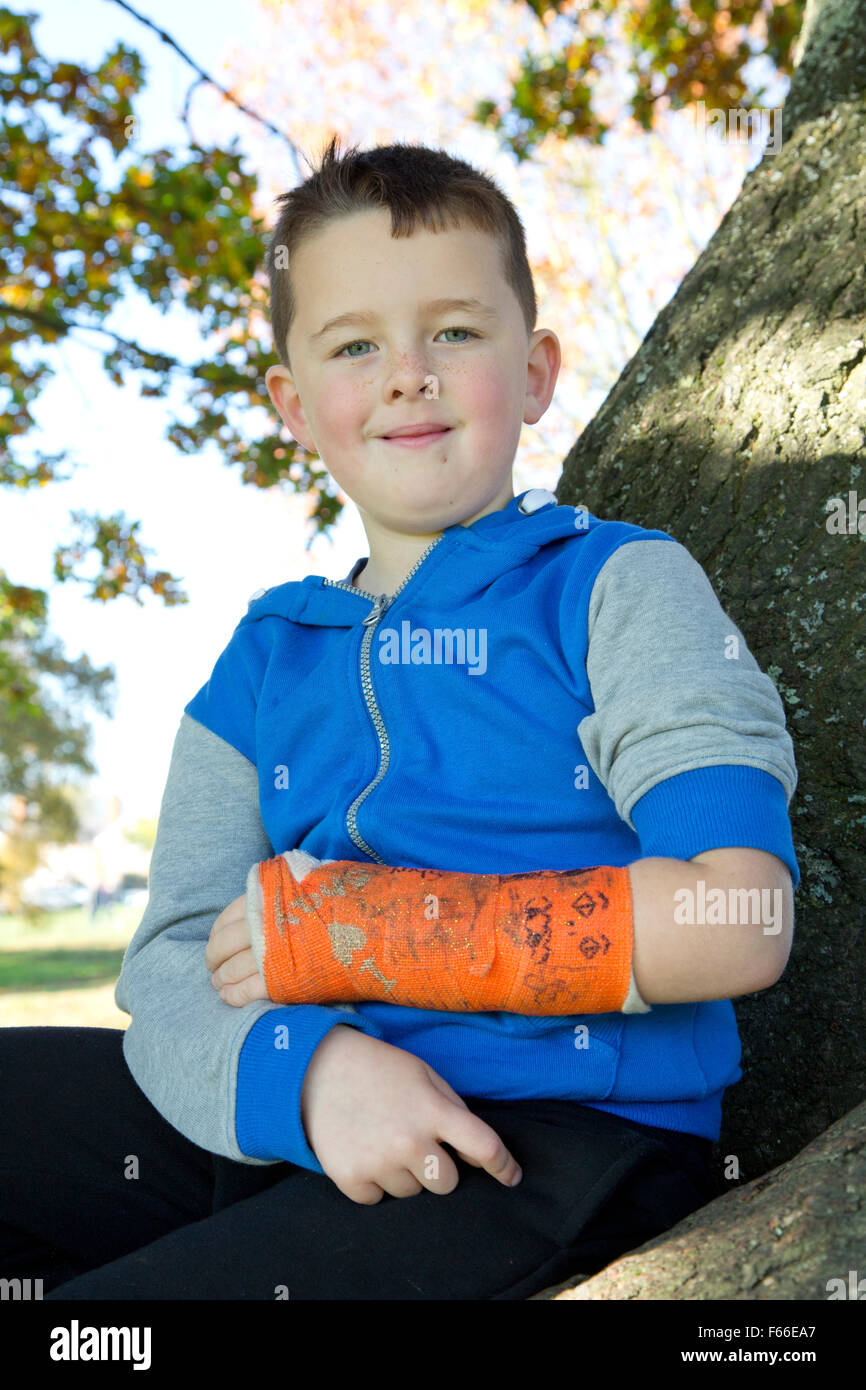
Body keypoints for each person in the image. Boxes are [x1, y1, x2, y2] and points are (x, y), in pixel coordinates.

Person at [0, 137, 800, 1301]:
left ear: (533, 374)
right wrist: (308, 1074)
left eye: (456, 333)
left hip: (550, 1137)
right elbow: (175, 960)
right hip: (301, 1107)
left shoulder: (615, 586)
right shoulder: (265, 658)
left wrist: (362, 933)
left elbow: (738, 912)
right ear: (292, 402)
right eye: (354, 344)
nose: (406, 373)